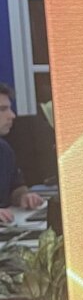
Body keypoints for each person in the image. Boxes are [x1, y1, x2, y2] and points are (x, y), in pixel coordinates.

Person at [0, 83, 46, 225]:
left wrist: (24, 196)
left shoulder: (4, 150)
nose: (12, 115)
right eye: (2, 109)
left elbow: (16, 187)